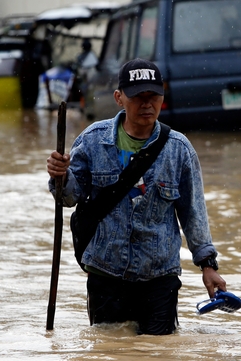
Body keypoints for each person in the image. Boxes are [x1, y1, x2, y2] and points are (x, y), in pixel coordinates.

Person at [46, 58, 226, 335]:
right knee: (109, 349)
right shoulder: (92, 140)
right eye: (137, 97)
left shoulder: (179, 149)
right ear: (119, 98)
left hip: (159, 277)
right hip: (105, 274)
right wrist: (60, 175)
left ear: (162, 97)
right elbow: (69, 197)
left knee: (158, 351)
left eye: (153, 96)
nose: (146, 104)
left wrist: (208, 265)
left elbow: (193, 212)